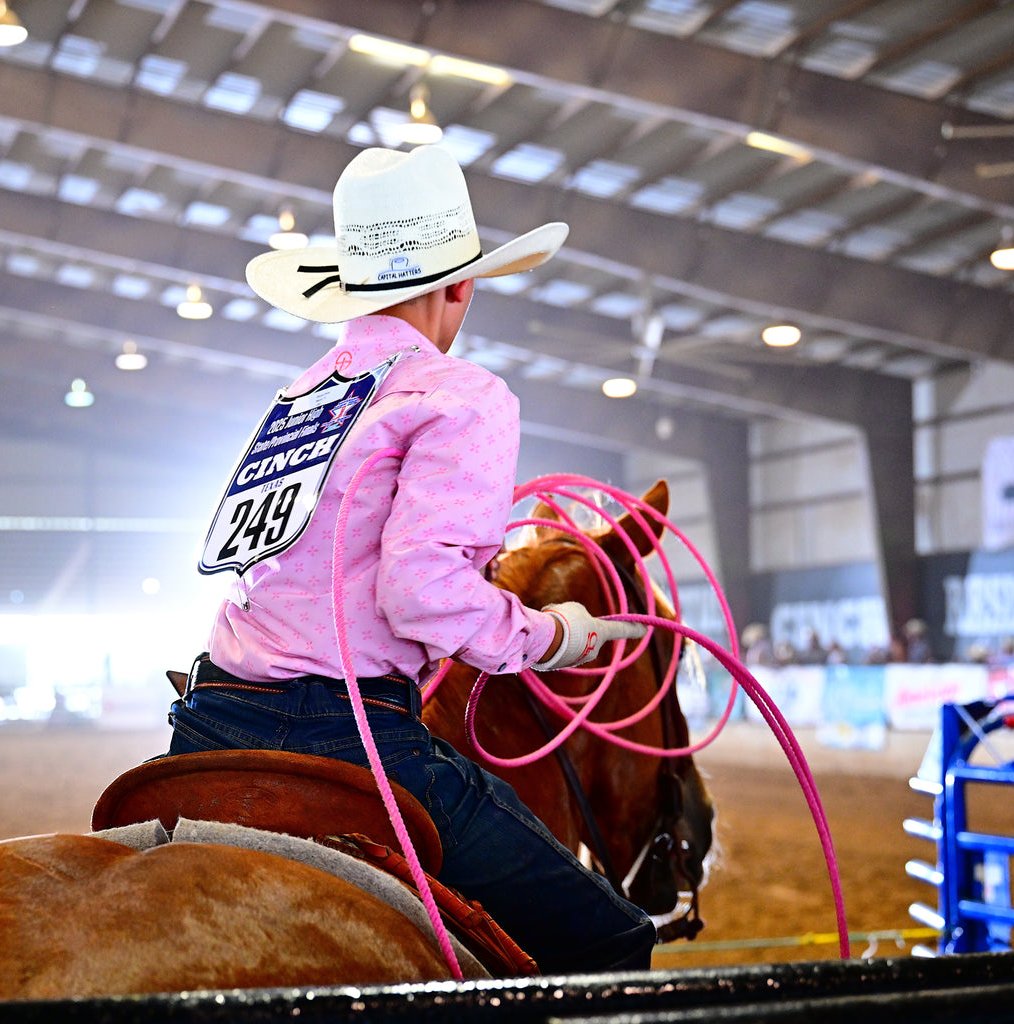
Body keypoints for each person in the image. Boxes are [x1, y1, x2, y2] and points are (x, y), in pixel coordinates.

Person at [166, 145, 655, 974]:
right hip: (347, 733)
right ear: (461, 283)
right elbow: (421, 592)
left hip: (212, 717)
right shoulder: (462, 396)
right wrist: (554, 636)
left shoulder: (306, 394)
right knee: (610, 939)